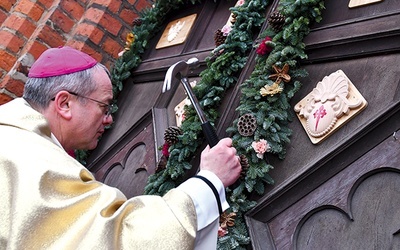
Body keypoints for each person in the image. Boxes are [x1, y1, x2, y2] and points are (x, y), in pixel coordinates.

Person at [0, 46, 241, 249]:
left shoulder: (15, 140)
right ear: (64, 103)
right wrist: (210, 180)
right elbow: (121, 239)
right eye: (104, 107)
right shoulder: (33, 161)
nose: (109, 120)